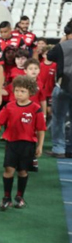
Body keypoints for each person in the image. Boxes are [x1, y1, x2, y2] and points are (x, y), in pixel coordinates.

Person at [0, 76, 46, 210]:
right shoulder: (9, 106)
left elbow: (41, 129)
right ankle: (7, 197)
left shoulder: (36, 109)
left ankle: (20, 196)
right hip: (12, 144)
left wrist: (40, 146)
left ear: (30, 92)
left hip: (28, 145)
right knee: (8, 170)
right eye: (17, 90)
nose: (18, 94)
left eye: (22, 91)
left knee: (23, 171)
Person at [45, 21, 72, 158]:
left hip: (63, 86)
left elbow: (49, 56)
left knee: (58, 118)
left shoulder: (62, 46)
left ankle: (59, 148)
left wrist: (62, 42)